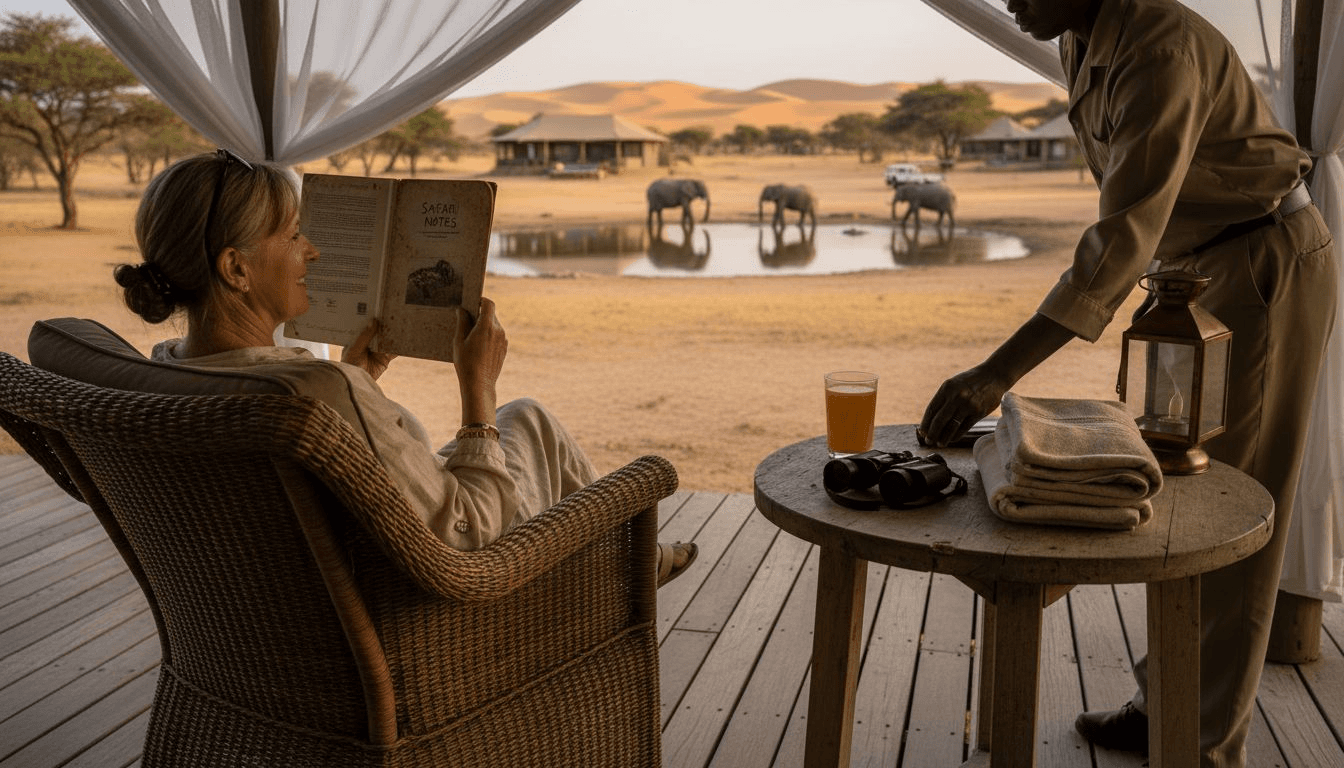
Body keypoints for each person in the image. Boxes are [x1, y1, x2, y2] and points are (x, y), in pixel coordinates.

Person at [921, 1, 1335, 765]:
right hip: (1193, 269)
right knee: (1178, 488)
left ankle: (1203, 746)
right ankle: (1165, 705)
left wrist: (996, 373)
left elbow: (1119, 240)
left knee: (1231, 508)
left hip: (1260, 261)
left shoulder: (1160, 51)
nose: (1010, 1)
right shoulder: (1078, 37)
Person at [113, 150, 697, 584]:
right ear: (236, 269)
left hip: (285, 601)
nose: (312, 251)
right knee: (528, 418)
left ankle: (629, 565)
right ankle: (628, 571)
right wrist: (477, 389)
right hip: (436, 598)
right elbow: (472, 533)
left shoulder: (162, 374)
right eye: (293, 236)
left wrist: (359, 382)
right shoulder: (318, 390)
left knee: (526, 420)